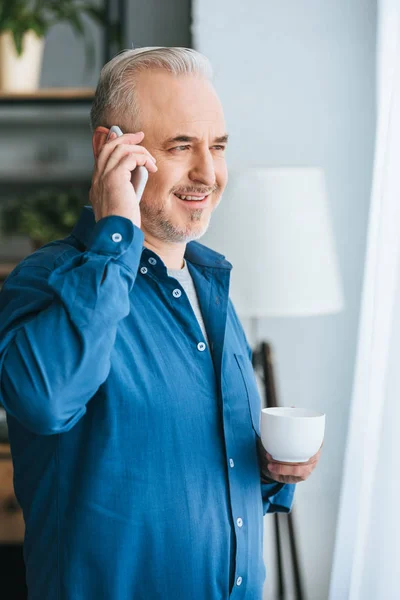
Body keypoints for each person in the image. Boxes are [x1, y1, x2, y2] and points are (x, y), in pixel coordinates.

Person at [0, 47, 321, 600]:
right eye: (180, 146)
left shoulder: (210, 285)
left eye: (217, 147)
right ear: (111, 150)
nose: (207, 173)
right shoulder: (46, 279)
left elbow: (195, 465)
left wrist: (268, 471)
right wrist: (115, 234)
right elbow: (44, 401)